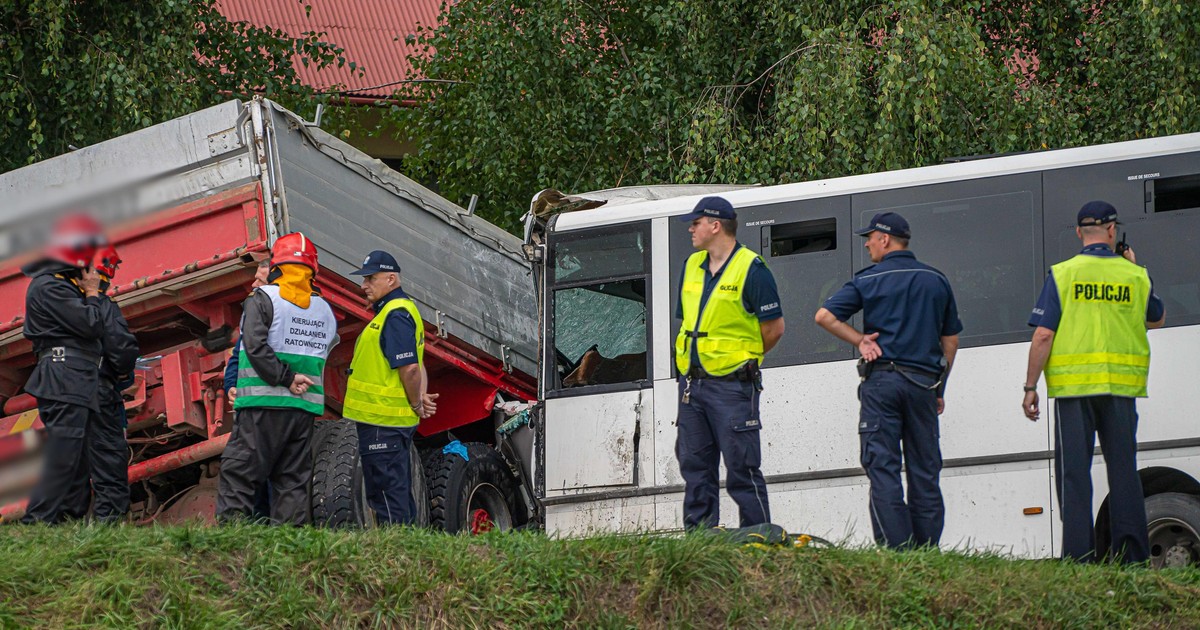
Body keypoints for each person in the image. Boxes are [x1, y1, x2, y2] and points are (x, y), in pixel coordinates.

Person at [1022, 200, 1164, 564]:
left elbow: (1043, 335)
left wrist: (1030, 387)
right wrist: (1132, 267)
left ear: (1078, 233)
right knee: (1124, 474)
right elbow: (1156, 319)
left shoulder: (1063, 273)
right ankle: (1133, 559)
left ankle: (1078, 559)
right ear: (1113, 231)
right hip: (1120, 390)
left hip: (1074, 392)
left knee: (1075, 476)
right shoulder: (1135, 275)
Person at [815, 211, 961, 549]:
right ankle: (926, 552)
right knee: (925, 469)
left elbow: (824, 316)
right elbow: (950, 341)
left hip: (882, 385)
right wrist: (940, 387)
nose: (866, 244)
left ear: (885, 239)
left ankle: (897, 552)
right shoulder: (935, 280)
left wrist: (860, 340)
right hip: (924, 385)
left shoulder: (868, 279)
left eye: (870, 238)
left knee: (883, 468)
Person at [674, 196, 785, 530]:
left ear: (715, 225)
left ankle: (759, 543)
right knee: (695, 469)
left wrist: (742, 360)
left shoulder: (752, 269)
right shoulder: (691, 265)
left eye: (696, 223)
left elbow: (774, 329)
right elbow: (688, 322)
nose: (691, 228)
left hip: (734, 387)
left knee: (742, 469)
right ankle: (701, 547)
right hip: (692, 386)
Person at [216, 232, 338, 525]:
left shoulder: (262, 300)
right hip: (302, 409)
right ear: (312, 270)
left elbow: (255, 347)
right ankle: (289, 545)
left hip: (262, 403)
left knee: (240, 472)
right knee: (292, 480)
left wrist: (284, 378)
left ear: (276, 266)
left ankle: (231, 541)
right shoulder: (324, 309)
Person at [19, 214, 107, 524]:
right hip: (64, 377)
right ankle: (38, 522)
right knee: (63, 455)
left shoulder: (57, 286)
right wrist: (93, 293)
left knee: (77, 459)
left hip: (72, 378)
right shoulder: (49, 288)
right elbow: (92, 324)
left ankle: (67, 523)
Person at [343, 250, 438, 525]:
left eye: (371, 278)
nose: (364, 285)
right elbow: (417, 361)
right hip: (387, 420)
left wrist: (416, 403)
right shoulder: (397, 312)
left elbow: (409, 367)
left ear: (391, 278)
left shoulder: (395, 314)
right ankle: (408, 549)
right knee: (395, 493)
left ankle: (399, 557)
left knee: (386, 495)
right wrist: (419, 396)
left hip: (382, 420)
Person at [64, 244, 140, 522]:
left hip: (62, 396)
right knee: (108, 460)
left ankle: (69, 533)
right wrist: (122, 376)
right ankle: (111, 528)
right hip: (97, 394)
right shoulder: (102, 307)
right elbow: (120, 349)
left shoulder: (56, 307)